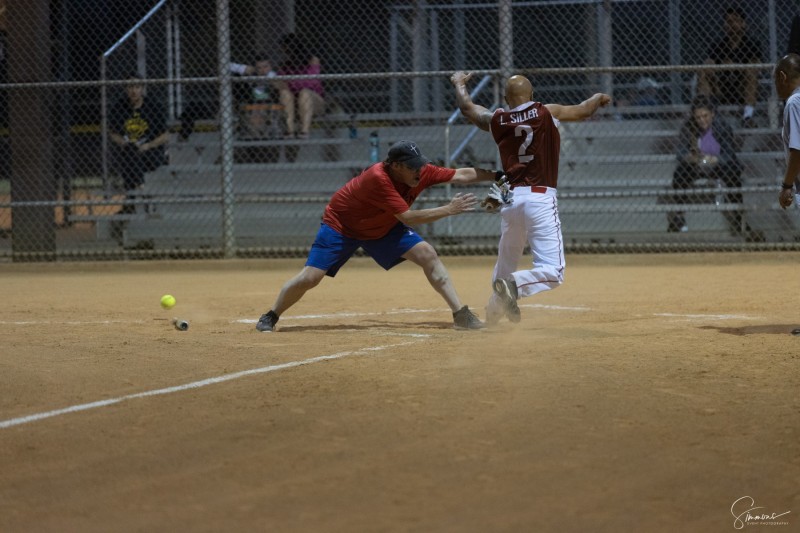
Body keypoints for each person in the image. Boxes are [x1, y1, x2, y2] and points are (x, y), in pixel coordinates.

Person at [255, 140, 502, 332]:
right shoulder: (378, 178)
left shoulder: (420, 171)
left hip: (383, 226)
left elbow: (461, 174)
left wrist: (498, 175)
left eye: (421, 164)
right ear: (396, 166)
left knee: (427, 253)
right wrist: (449, 210)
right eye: (413, 166)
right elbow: (408, 218)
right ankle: (272, 314)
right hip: (342, 226)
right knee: (310, 278)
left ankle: (461, 315)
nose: (420, 170)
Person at [449, 71, 611, 325]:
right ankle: (514, 285)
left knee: (506, 262)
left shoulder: (498, 119)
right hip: (540, 199)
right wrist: (598, 97)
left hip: (510, 200)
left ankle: (492, 314)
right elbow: (582, 111)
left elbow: (468, 109)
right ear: (532, 96)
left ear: (505, 98)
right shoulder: (546, 111)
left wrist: (459, 84)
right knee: (553, 272)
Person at [667, 95, 760, 240]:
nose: (702, 120)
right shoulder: (688, 127)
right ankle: (679, 217)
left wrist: (716, 159)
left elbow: (729, 154)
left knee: (732, 172)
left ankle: (738, 216)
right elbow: (680, 153)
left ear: (712, 114)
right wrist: (690, 157)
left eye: (705, 116)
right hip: (696, 165)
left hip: (718, 164)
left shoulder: (722, 126)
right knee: (679, 174)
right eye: (698, 117)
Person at [109, 75, 169, 212]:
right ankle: (142, 188)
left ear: (142, 88)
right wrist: (125, 143)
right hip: (131, 152)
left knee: (129, 159)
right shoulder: (119, 107)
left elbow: (166, 135)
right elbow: (113, 134)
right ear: (126, 89)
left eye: (137, 87)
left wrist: (147, 146)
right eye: (130, 87)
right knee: (130, 151)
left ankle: (130, 200)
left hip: (151, 153)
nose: (133, 91)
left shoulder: (153, 107)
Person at [696, 6, 762, 127]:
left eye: (735, 20)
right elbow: (710, 64)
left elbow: (756, 66)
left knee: (751, 70)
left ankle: (747, 116)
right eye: (728, 21)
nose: (732, 24)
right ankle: (704, 113)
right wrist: (717, 68)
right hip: (721, 88)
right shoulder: (719, 45)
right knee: (705, 68)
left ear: (743, 24)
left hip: (742, 89)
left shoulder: (752, 44)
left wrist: (735, 66)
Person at [275, 33, 325, 139]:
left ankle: (304, 131)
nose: (284, 53)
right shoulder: (285, 65)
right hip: (293, 103)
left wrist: (290, 83)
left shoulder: (312, 60)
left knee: (305, 92)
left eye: (286, 49)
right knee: (285, 93)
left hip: (313, 100)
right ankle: (290, 130)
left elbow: (312, 83)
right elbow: (281, 85)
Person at [775, 54, 800, 211]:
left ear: (783, 77)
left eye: (775, 80)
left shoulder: (794, 102)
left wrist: (786, 185)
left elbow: (797, 150)